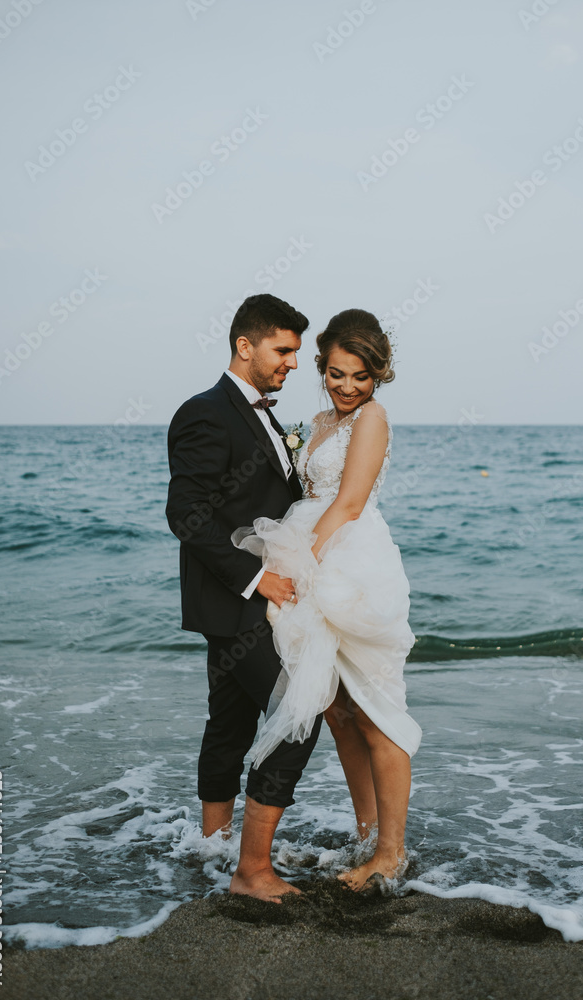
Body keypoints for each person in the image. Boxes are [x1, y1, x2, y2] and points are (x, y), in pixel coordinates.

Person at [233, 308, 422, 890]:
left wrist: (298, 564)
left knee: (376, 712)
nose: (346, 387)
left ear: (378, 377)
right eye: (336, 374)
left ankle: (391, 853)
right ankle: (367, 836)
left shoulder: (372, 419)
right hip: (314, 548)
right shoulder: (315, 419)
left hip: (349, 563)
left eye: (360, 377)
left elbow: (347, 504)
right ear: (323, 367)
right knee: (338, 713)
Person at [165, 293, 321, 903]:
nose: (292, 364)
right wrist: (257, 580)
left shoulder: (261, 414)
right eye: (283, 351)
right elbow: (187, 514)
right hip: (236, 597)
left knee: (229, 720)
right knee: (297, 715)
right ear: (244, 346)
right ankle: (252, 871)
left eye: (295, 352)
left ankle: (214, 846)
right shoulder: (205, 412)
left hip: (252, 600)